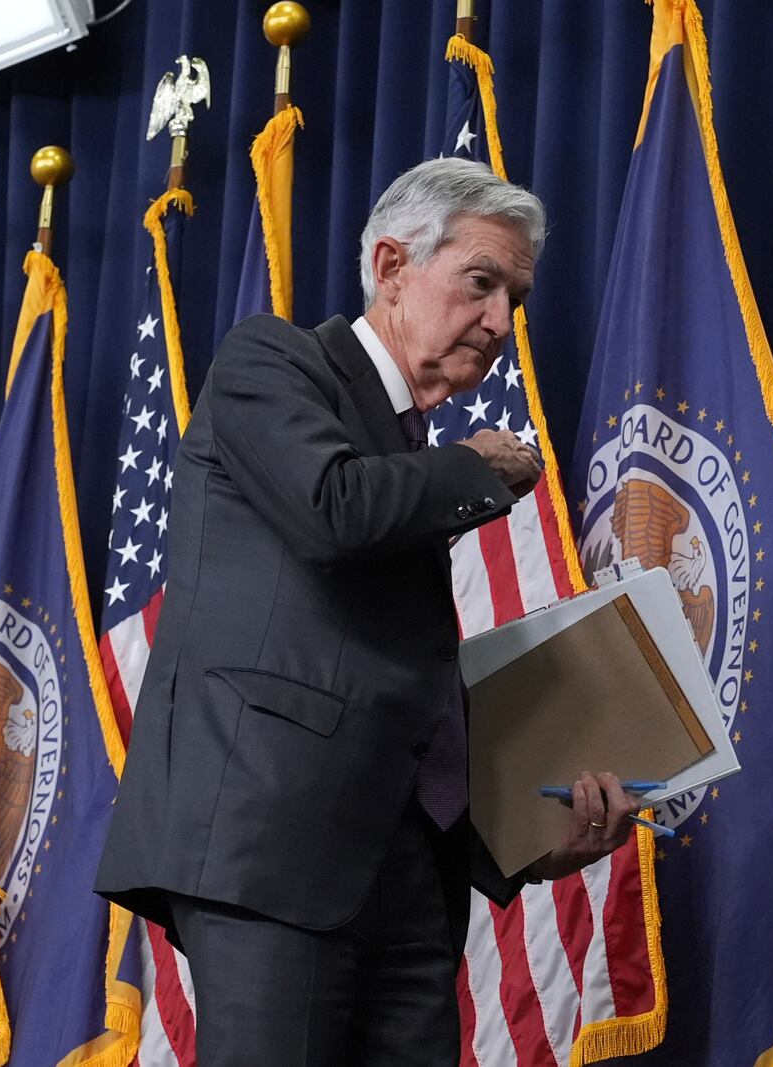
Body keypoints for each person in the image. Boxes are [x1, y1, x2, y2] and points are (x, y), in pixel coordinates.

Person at [95, 157, 640, 1064]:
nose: (502, 322)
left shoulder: (408, 455)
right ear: (392, 266)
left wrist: (533, 842)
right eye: (481, 281)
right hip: (273, 851)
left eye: (515, 297)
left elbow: (392, 693)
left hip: (410, 884)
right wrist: (483, 468)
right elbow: (332, 509)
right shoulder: (272, 360)